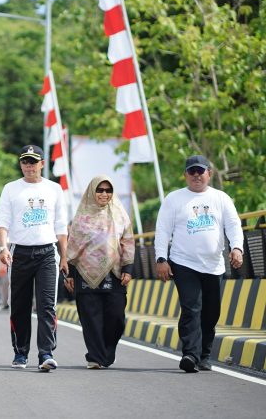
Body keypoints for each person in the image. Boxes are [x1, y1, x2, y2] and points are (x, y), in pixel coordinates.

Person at [154, 155, 244, 373]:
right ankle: (190, 355)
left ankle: (204, 355)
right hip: (184, 263)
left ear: (209, 174)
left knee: (211, 312)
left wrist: (237, 248)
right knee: (191, 307)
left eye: (200, 171)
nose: (196, 175)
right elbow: (163, 230)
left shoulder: (221, 198)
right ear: (185, 175)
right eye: (191, 171)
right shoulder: (174, 199)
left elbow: (233, 225)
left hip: (214, 265)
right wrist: (161, 259)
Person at [0, 144, 68, 372]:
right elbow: (3, 221)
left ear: (42, 164)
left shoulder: (54, 189)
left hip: (47, 252)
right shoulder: (11, 189)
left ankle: (46, 353)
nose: (29, 166)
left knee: (47, 305)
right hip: (19, 253)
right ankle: (20, 352)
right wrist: (2, 247)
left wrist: (64, 256)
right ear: (21, 164)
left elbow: (61, 226)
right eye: (25, 162)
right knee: (19, 305)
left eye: (33, 162)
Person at [64, 175, 134, 369]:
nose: (104, 194)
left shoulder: (120, 214)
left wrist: (128, 269)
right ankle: (95, 357)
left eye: (108, 190)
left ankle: (107, 353)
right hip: (84, 273)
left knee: (116, 317)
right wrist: (69, 274)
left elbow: (127, 241)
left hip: (114, 272)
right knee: (91, 318)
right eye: (100, 190)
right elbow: (72, 247)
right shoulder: (81, 217)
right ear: (92, 192)